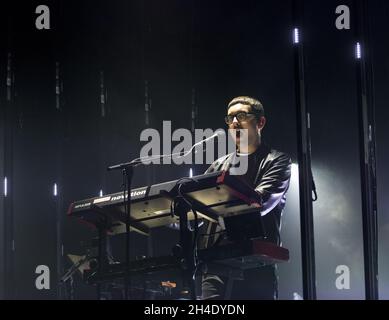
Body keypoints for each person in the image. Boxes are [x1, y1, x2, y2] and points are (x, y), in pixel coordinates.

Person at [200, 96, 292, 300]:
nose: (234, 123)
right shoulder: (218, 166)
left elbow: (260, 202)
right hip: (216, 265)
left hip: (256, 263)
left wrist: (216, 206)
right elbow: (197, 214)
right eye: (230, 118)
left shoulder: (277, 160)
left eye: (241, 116)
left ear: (260, 122)